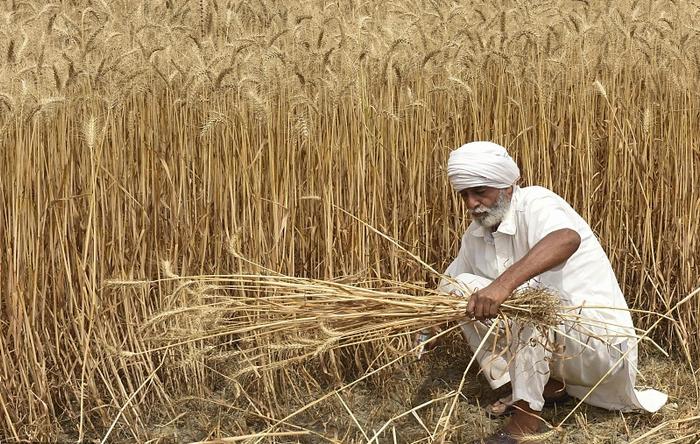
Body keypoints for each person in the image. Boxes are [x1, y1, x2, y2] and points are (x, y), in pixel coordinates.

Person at [437, 141, 667, 444]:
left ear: (507, 186)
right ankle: (543, 386)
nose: (471, 203)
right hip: (562, 349)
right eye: (464, 195)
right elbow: (449, 284)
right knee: (461, 288)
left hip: (597, 345)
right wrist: (430, 325)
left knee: (531, 300)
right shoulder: (477, 234)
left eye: (480, 191)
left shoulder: (535, 202)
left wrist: (502, 286)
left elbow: (565, 238)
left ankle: (525, 420)